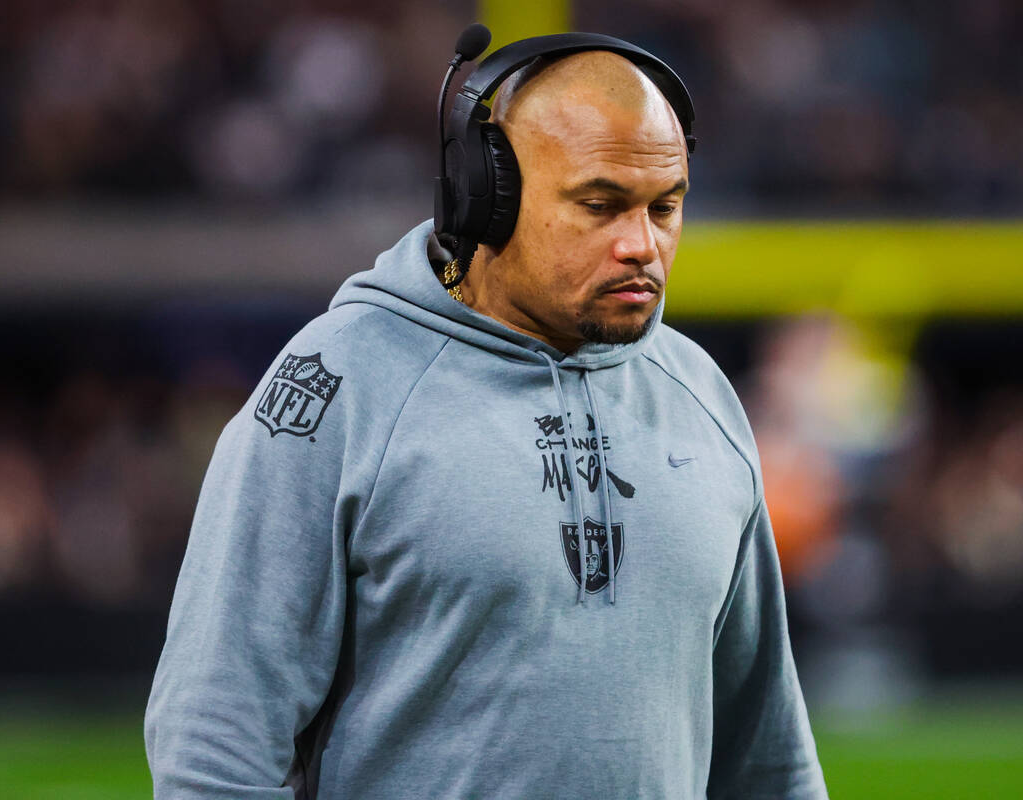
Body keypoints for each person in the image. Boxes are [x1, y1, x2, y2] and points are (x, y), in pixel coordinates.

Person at [146, 33, 828, 800]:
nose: (643, 245)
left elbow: (766, 758)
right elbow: (215, 744)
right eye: (600, 205)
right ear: (487, 195)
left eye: (664, 207)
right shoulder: (339, 388)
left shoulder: (699, 395)